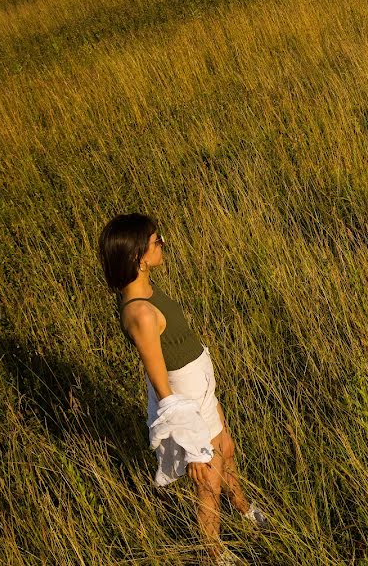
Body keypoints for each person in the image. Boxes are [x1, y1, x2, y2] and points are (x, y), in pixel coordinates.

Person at [98, 213, 267, 564]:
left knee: (228, 449)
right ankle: (214, 554)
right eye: (156, 241)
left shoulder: (145, 289)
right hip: (186, 402)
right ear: (138, 257)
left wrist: (211, 399)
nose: (163, 244)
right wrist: (190, 446)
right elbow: (163, 389)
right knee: (208, 484)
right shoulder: (141, 313)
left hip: (202, 390)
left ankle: (243, 508)